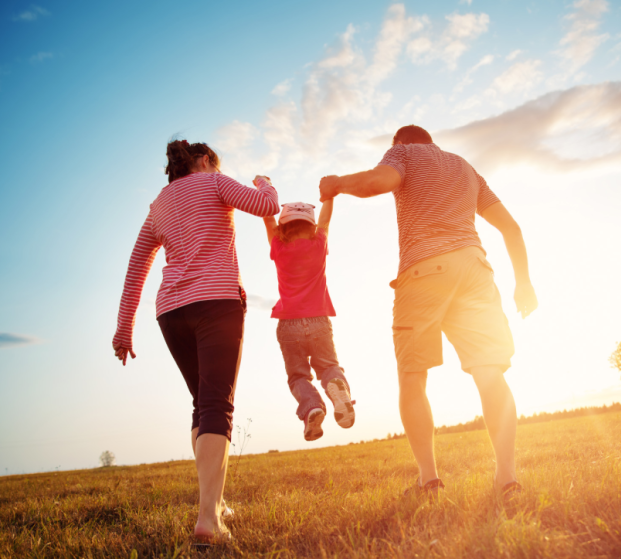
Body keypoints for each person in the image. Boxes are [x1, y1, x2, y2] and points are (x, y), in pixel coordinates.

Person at [319, 125, 538, 498]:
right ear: (431, 141)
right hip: (475, 270)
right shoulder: (466, 167)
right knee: (489, 372)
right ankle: (507, 478)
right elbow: (511, 229)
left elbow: (378, 182)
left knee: (413, 376)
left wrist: (336, 184)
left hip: (424, 270)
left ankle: (429, 481)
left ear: (399, 143)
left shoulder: (403, 153)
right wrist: (524, 283)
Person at [112, 139, 279, 542]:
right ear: (205, 161)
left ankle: (214, 503)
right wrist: (264, 182)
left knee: (202, 405)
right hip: (216, 302)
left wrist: (123, 328)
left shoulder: (158, 204)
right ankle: (208, 520)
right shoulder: (214, 181)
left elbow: (137, 266)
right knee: (217, 404)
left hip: (171, 313)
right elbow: (267, 206)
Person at [261, 198, 355, 441]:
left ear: (283, 228)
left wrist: (263, 187)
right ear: (311, 227)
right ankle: (337, 386)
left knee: (298, 376)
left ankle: (312, 407)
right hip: (318, 321)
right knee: (328, 366)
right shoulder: (319, 244)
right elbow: (325, 220)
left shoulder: (278, 247)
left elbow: (268, 219)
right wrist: (329, 197)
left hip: (288, 324)